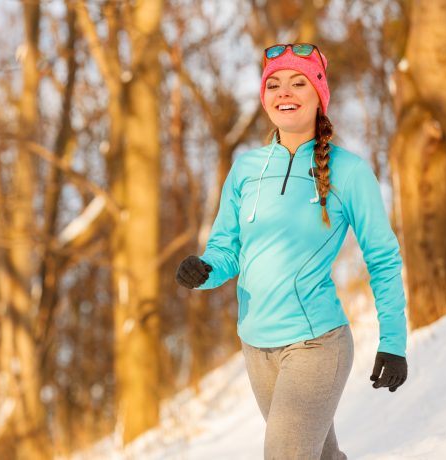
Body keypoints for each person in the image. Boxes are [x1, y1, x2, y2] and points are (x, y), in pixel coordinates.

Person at [175, 43, 408, 459]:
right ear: (264, 98)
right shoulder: (246, 169)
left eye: (299, 82)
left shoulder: (349, 172)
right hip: (255, 344)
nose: (285, 92)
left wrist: (393, 341)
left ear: (319, 95)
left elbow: (383, 258)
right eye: (275, 84)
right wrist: (204, 270)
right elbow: (226, 249)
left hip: (315, 345)